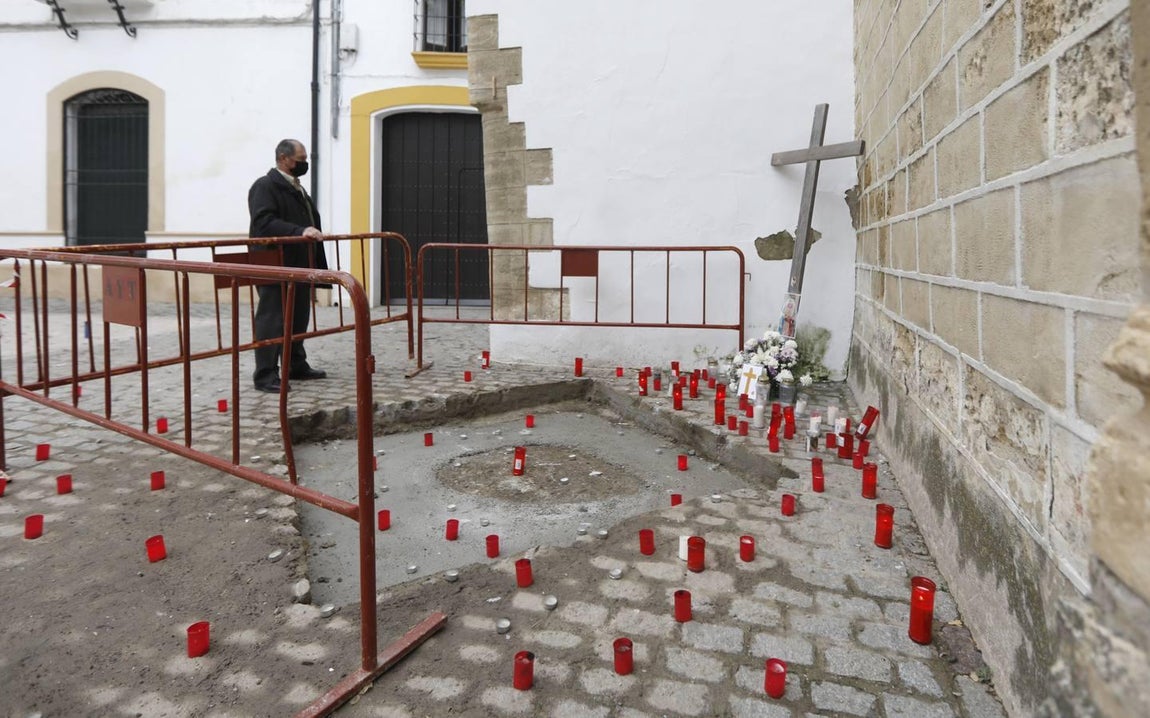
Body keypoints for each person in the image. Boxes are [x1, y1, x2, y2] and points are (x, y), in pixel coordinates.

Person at [248, 139, 329, 392]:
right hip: (274, 264)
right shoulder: (265, 186)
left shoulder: (297, 188)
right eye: (300, 160)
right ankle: (265, 374)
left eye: (305, 159)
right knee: (272, 319)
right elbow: (263, 223)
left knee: (298, 316)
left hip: (298, 263)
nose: (304, 164)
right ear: (283, 158)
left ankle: (295, 364)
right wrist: (299, 231)